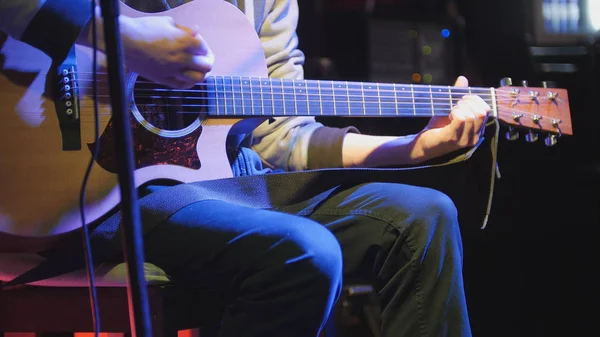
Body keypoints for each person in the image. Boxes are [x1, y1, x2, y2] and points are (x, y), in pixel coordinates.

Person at [0, 0, 490, 336]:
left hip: (226, 179)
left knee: (424, 215)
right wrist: (124, 36)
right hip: (115, 189)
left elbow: (280, 135)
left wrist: (413, 148)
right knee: (304, 252)